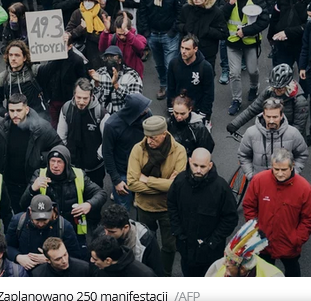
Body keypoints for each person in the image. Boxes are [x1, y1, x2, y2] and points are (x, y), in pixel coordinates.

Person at [126, 115, 187, 276]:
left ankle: (165, 274)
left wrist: (147, 180)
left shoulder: (179, 151)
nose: (149, 141)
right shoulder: (138, 149)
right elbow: (132, 183)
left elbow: (177, 186)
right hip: (144, 207)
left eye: (153, 138)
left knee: (169, 246)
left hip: (168, 208)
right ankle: (148, 273)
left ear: (164, 134)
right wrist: (164, 184)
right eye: (146, 137)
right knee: (145, 243)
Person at [242, 148, 311, 277]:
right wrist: (255, 230)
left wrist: (297, 239)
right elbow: (249, 206)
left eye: (284, 170)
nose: (280, 174)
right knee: (263, 274)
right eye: (276, 169)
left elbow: (309, 218)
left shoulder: (304, 188)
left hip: (289, 245)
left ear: (292, 166)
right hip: (263, 243)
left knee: (292, 272)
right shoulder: (259, 181)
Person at [168, 147, 238, 276]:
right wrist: (178, 232)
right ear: (189, 161)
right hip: (186, 247)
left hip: (211, 252)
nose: (198, 170)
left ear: (210, 165)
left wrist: (212, 242)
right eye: (195, 165)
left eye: (203, 166)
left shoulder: (221, 188)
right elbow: (172, 206)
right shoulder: (180, 182)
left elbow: (230, 218)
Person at [21, 145, 107, 241]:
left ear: (66, 163)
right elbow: (23, 203)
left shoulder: (78, 175)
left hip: (73, 228)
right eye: (52, 161)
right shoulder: (39, 174)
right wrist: (33, 189)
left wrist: (89, 204)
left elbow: (101, 193)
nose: (55, 165)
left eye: (59, 162)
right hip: (47, 228)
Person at [0, 93, 61, 211]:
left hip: (33, 184)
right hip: (10, 185)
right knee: (17, 215)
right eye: (12, 111)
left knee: (36, 216)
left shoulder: (42, 128)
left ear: (27, 109)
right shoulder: (2, 128)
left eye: (19, 110)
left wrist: (41, 158)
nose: (15, 114)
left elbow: (59, 149)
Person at [222, 0, 270, 116]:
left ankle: (254, 87)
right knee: (234, 73)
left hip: (250, 42)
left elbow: (264, 21)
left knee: (253, 70)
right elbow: (220, 17)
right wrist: (229, 4)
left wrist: (246, 31)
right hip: (233, 42)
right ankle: (236, 100)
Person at [137, 0, 184, 101]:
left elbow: (180, 13)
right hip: (153, 34)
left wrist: (173, 31)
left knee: (170, 64)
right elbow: (142, 13)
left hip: (169, 34)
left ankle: (172, 89)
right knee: (159, 64)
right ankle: (163, 84)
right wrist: (146, 32)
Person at [228, 64, 309, 137]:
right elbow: (252, 109)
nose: (276, 91)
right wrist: (235, 124)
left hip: (290, 140)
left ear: (288, 85)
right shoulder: (269, 91)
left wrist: (280, 140)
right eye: (275, 88)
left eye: (280, 88)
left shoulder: (299, 101)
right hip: (271, 135)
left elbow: (298, 128)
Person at [6, 194, 83, 270]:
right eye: (37, 220)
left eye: (45, 220)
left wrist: (51, 259)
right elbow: (7, 247)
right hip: (25, 271)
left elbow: (75, 256)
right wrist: (18, 257)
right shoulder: (18, 221)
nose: (41, 224)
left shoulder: (64, 226)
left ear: (52, 211)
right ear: (30, 212)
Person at [237, 98, 309, 181]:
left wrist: (293, 174)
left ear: (281, 116)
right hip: (260, 183)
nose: (271, 120)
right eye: (268, 116)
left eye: (275, 117)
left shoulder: (293, 133)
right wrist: (251, 175)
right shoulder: (251, 133)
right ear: (263, 115)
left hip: (285, 184)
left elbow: (302, 155)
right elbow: (243, 155)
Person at [166, 35, 215, 119]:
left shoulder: (205, 67)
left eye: (187, 49)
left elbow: (208, 93)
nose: (183, 51)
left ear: (195, 49)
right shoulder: (173, 64)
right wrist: (171, 108)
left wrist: (203, 113)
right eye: (182, 47)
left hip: (198, 111)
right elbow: (171, 87)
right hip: (179, 111)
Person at [89, 235, 155, 277]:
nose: (91, 260)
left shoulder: (144, 275)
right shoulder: (99, 268)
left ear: (108, 261)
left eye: (95, 259)